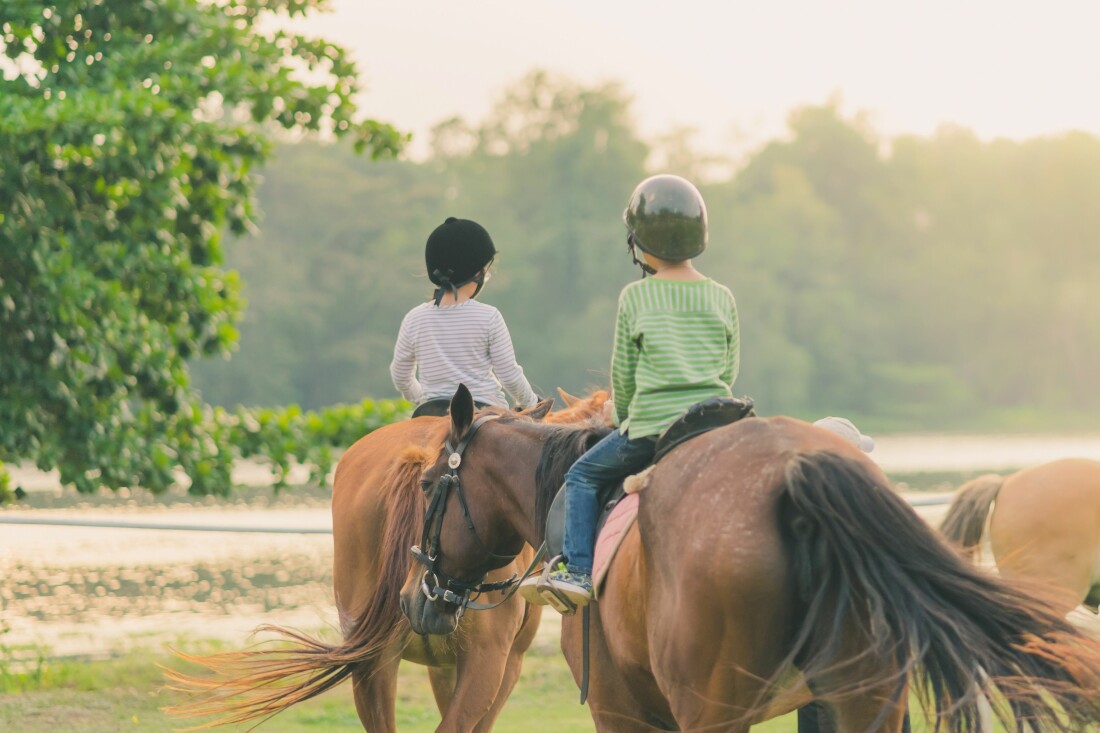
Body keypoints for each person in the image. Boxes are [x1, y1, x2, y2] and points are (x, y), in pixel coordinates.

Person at [521, 174, 740, 609]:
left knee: (581, 476)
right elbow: (728, 368)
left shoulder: (636, 297)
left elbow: (624, 377)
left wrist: (621, 415)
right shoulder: (722, 296)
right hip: (714, 426)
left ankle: (578, 571)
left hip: (655, 430)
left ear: (639, 244)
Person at [390, 217, 539, 416]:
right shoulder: (489, 317)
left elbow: (400, 376)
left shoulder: (414, 318)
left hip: (430, 413)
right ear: (477, 273)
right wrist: (532, 403)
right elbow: (509, 376)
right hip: (485, 412)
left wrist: (423, 399)